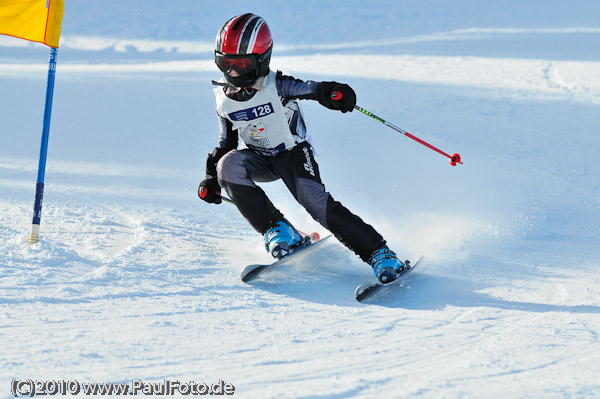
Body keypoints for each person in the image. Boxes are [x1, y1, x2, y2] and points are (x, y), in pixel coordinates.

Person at [198, 13, 404, 284]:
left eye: (242, 64)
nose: (234, 72)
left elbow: (313, 89)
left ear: (262, 59)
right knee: (229, 165)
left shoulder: (276, 84)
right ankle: (279, 230)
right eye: (227, 64)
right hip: (258, 158)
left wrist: (334, 93)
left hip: (292, 154)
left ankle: (381, 253)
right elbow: (226, 144)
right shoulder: (223, 101)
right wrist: (213, 179)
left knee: (315, 203)